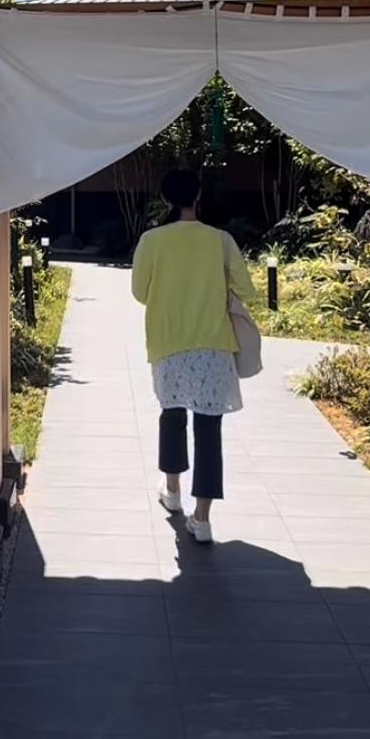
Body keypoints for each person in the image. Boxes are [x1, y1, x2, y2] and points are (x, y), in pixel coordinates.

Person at [130, 165, 255, 542]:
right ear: (197, 197)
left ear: (167, 199)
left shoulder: (152, 240)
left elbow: (139, 292)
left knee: (171, 416)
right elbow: (246, 290)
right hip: (213, 346)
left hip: (168, 343)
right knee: (208, 429)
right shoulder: (220, 240)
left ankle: (172, 491)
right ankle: (202, 518)